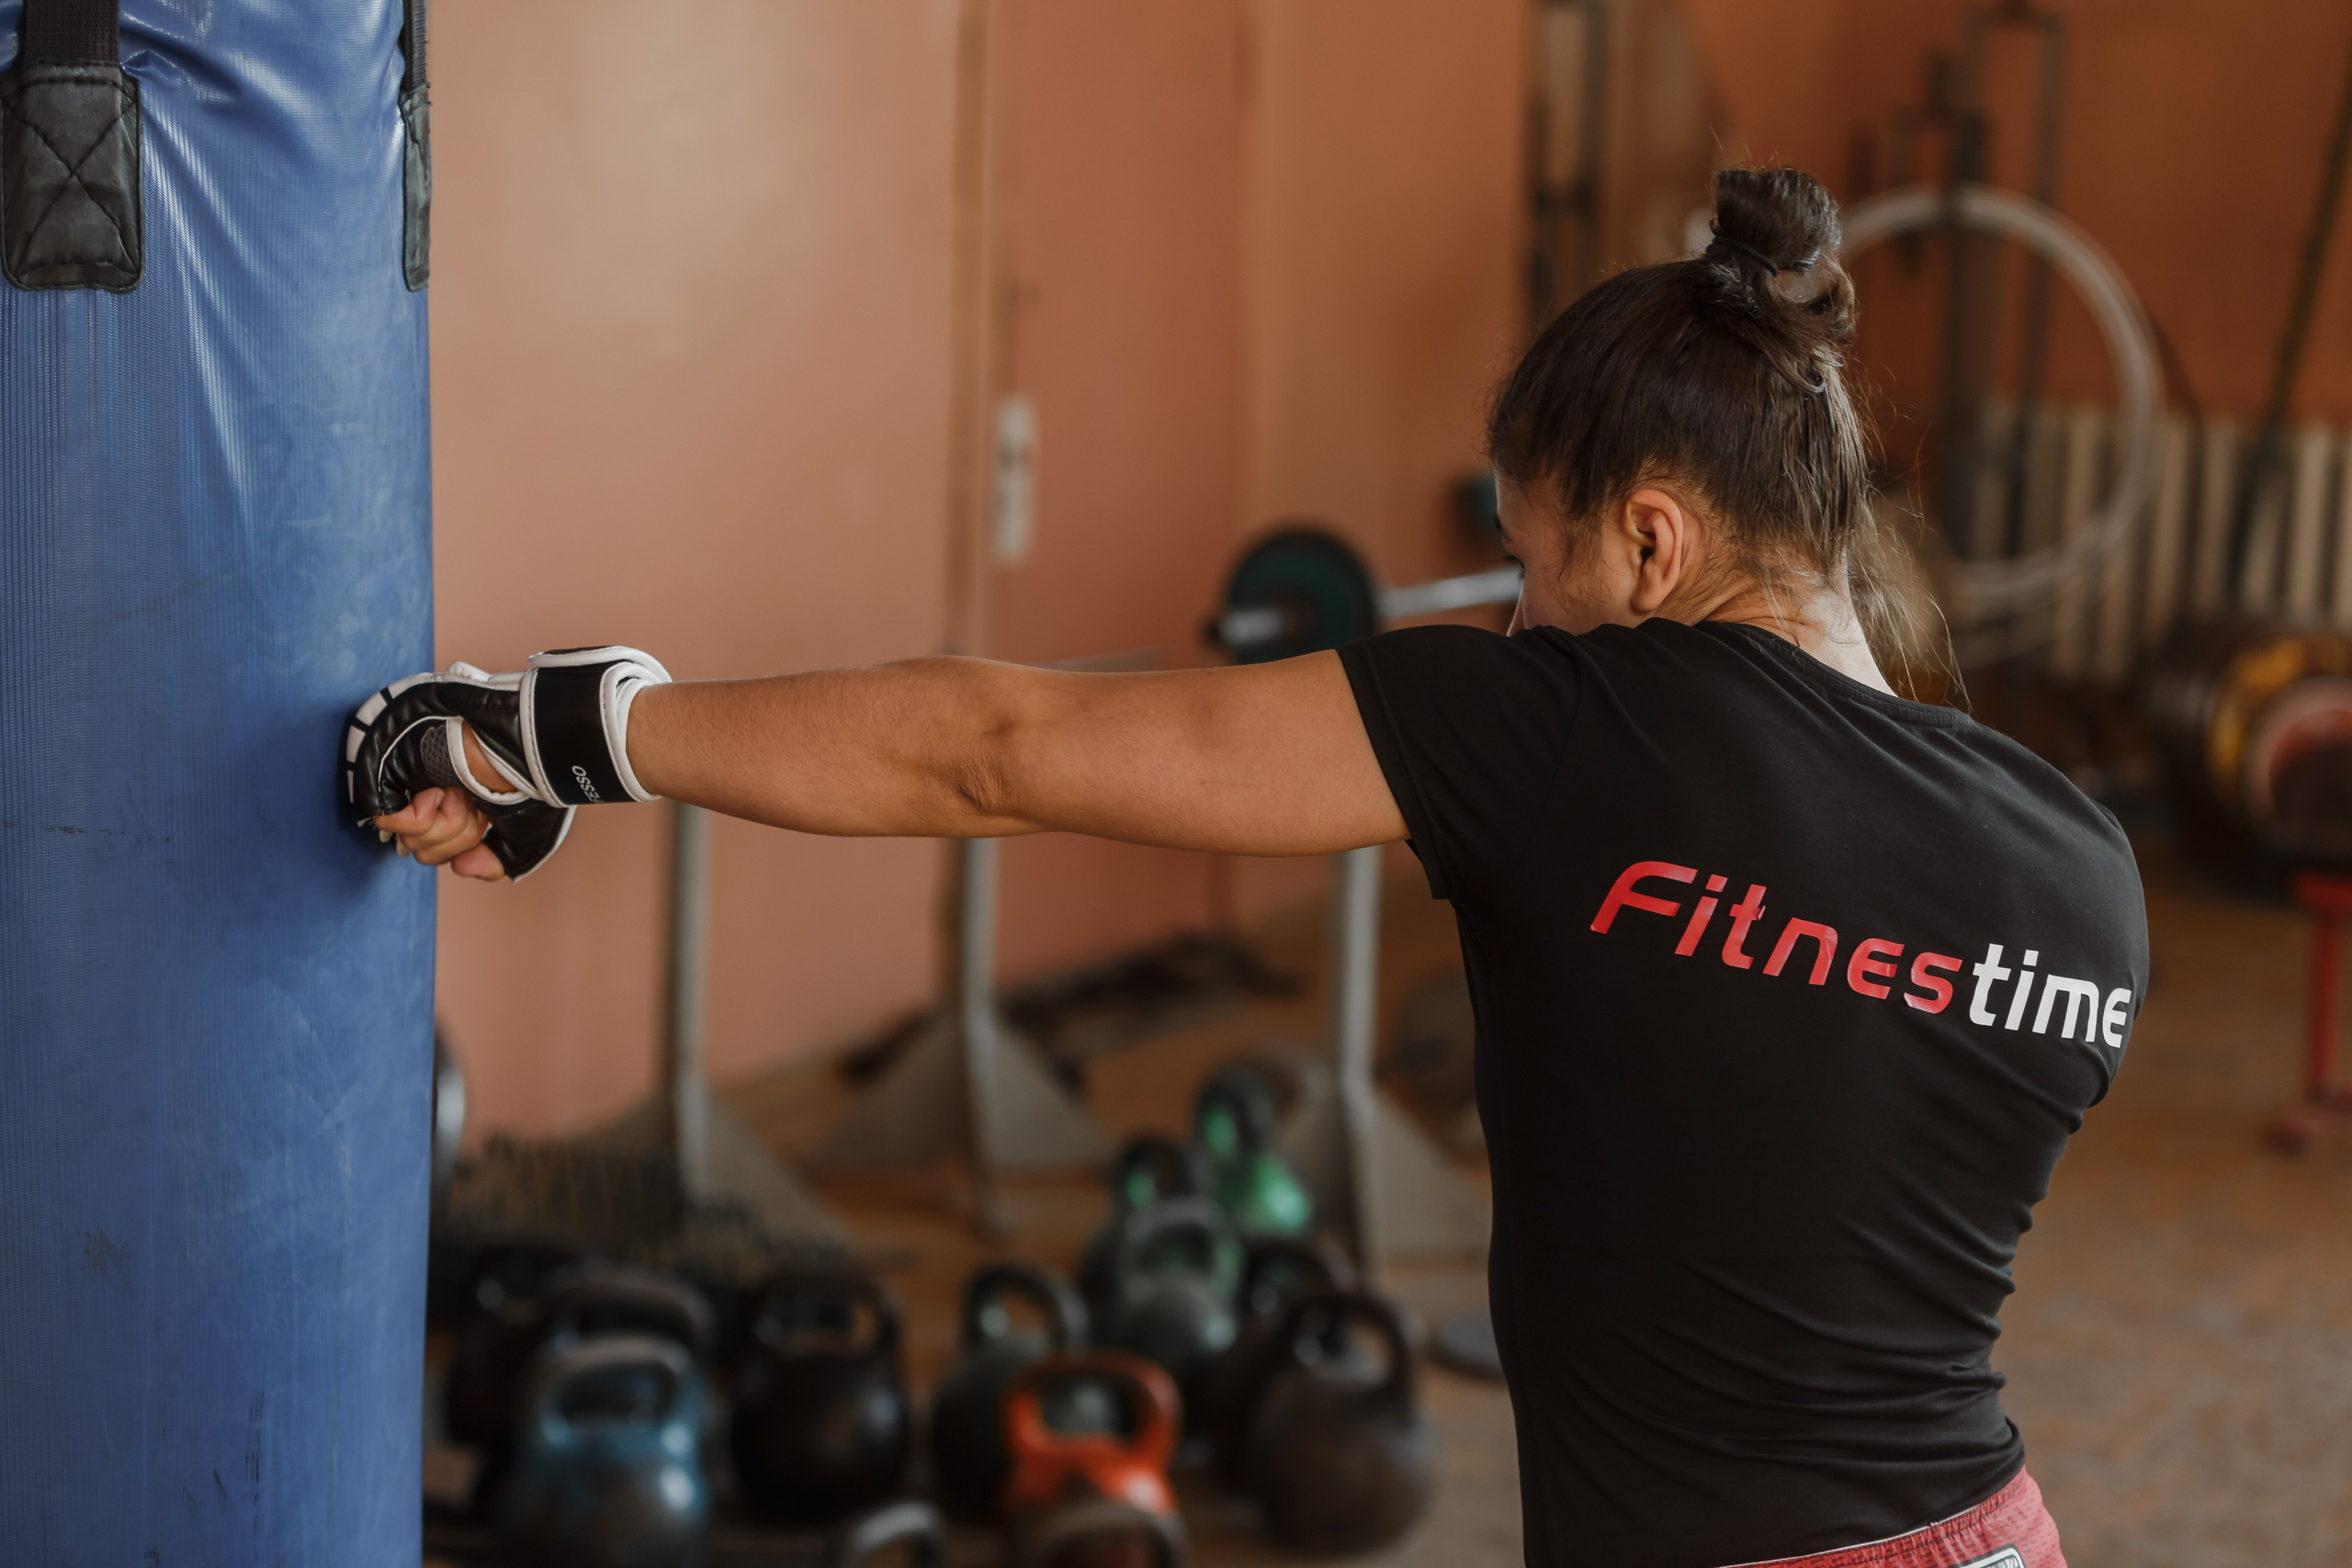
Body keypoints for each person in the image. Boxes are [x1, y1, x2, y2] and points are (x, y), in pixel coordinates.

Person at [354, 168, 2142, 1568]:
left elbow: (991, 749)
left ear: (1650, 539)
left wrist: (552, 734)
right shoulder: (2084, 872)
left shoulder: (1573, 733)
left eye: (1530, 563)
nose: (1519, 617)